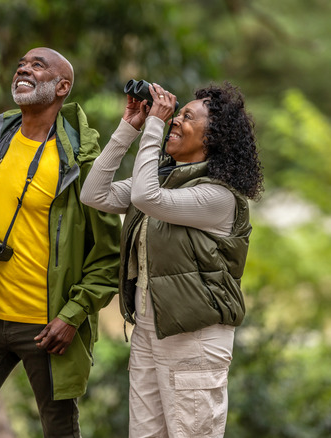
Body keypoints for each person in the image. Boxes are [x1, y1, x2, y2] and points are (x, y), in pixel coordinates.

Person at [0, 47, 121, 437]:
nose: (24, 68)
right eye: (21, 64)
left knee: (59, 432)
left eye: (38, 65)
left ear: (61, 87)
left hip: (46, 326)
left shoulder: (81, 159)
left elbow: (109, 256)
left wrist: (72, 316)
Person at [81, 82, 263, 437]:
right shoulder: (166, 180)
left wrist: (154, 125)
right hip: (151, 328)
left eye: (187, 116)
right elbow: (94, 193)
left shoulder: (219, 196)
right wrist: (130, 126)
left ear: (214, 139)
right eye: (176, 114)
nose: (175, 120)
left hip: (194, 337)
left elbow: (147, 198)